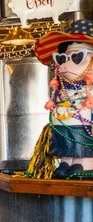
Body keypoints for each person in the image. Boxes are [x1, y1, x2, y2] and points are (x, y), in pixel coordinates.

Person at [33, 19, 93, 179]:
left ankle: (83, 164)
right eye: (62, 59)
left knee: (84, 144)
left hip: (85, 130)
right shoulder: (61, 90)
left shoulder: (90, 90)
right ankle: (66, 162)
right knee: (65, 144)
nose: (65, 65)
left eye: (77, 57)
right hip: (63, 127)